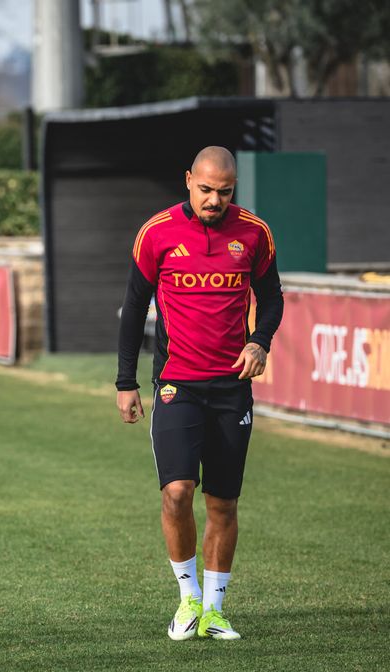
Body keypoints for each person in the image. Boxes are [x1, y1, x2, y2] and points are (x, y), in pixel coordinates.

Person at [116, 146, 283, 642]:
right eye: (206, 189)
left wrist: (259, 341)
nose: (214, 200)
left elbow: (272, 298)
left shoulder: (254, 233)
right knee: (176, 493)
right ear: (188, 180)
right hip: (177, 384)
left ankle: (214, 609)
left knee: (223, 504)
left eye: (224, 192)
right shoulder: (157, 232)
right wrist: (125, 381)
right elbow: (133, 306)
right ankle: (187, 598)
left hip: (232, 389)